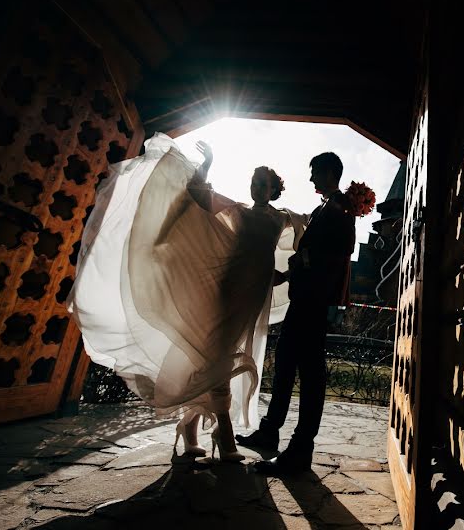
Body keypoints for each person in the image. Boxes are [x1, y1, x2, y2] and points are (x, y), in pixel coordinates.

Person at [68, 133, 304, 462]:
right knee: (216, 358)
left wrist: (287, 275)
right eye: (254, 181)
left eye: (263, 183)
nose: (257, 186)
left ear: (274, 189)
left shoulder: (282, 219)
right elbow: (197, 193)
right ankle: (224, 435)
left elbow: (294, 251)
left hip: (252, 300)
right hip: (225, 290)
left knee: (213, 359)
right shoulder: (237, 211)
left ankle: (188, 427)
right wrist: (207, 165)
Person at [237, 152, 356, 474]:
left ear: (330, 172)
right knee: (286, 365)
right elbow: (310, 252)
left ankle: (301, 449)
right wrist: (290, 274)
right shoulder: (324, 208)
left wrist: (300, 265)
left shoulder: (341, 208)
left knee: (311, 374)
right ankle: (269, 431)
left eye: (316, 172)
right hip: (303, 297)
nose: (312, 179)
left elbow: (339, 254)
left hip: (314, 302)